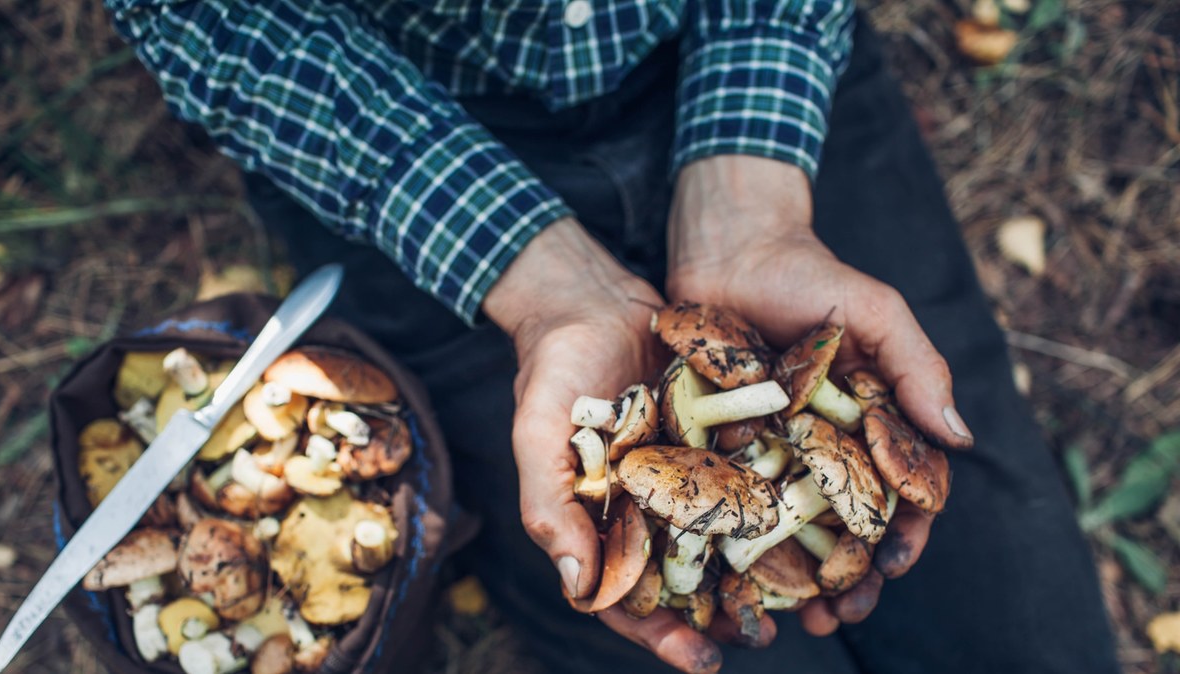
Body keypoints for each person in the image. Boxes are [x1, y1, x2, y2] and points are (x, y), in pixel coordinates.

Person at [105, 0, 1121, 671]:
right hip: (397, 142)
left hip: (749, 53)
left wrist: (750, 189)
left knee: (1030, 634)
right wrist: (541, 282)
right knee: (662, 626)